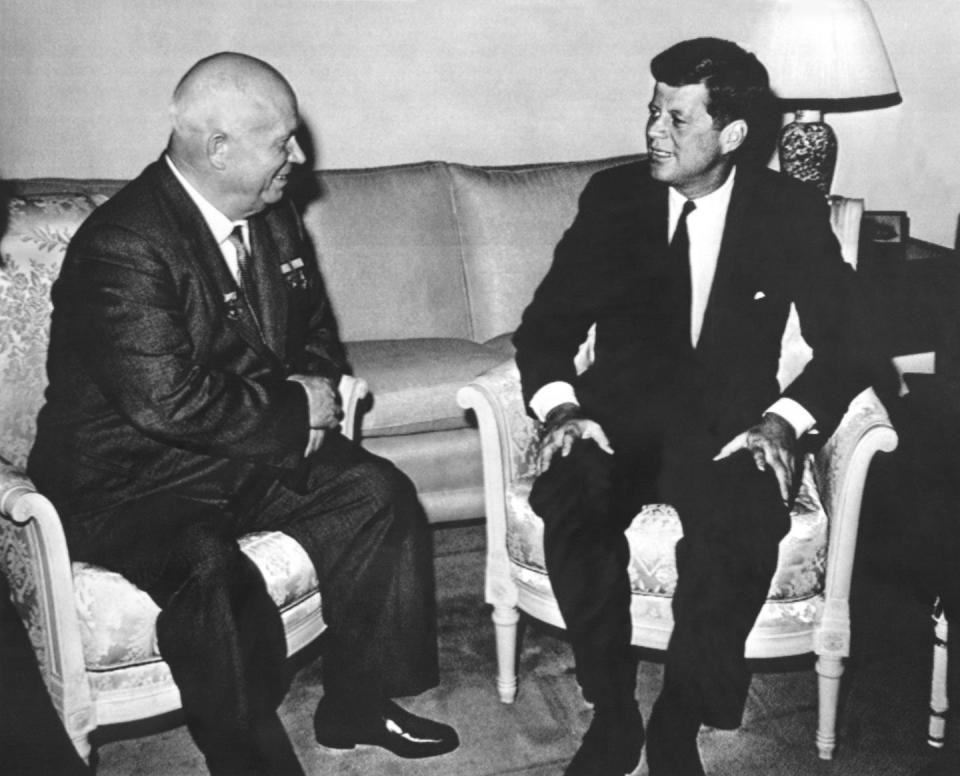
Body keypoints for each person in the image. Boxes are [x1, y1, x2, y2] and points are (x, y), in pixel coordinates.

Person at [27, 52, 458, 776]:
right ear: (216, 148)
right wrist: (300, 405)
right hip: (132, 478)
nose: (301, 154)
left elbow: (315, 328)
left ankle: (358, 702)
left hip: (238, 452)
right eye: (281, 140)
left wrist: (315, 383)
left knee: (377, 495)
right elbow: (164, 401)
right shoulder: (123, 246)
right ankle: (251, 761)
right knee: (209, 573)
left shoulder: (272, 212)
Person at [512, 38, 865, 776]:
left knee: (738, 527)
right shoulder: (615, 200)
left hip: (730, 431)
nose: (652, 133)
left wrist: (784, 421)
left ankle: (678, 719)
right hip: (617, 425)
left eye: (675, 120)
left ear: (731, 135)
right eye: (651, 113)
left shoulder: (789, 212)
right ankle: (611, 715)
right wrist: (563, 410)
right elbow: (546, 330)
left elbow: (850, 346)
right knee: (573, 497)